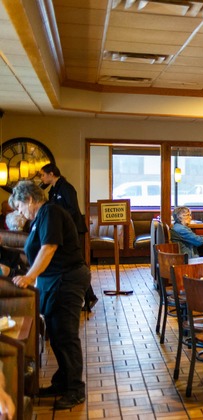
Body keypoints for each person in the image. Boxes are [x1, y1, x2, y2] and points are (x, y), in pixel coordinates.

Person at [10, 180, 91, 410]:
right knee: (56, 334)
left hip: (68, 279)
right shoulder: (40, 218)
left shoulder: (50, 212)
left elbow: (49, 248)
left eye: (19, 207)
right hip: (55, 281)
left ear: (29, 199)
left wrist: (29, 277)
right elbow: (34, 252)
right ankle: (63, 382)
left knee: (66, 334)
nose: (20, 213)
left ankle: (75, 390)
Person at [39, 163, 97, 312]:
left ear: (51, 174)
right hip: (62, 231)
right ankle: (88, 296)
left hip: (73, 230)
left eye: (43, 175)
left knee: (77, 262)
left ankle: (89, 296)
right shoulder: (52, 191)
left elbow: (73, 210)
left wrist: (61, 222)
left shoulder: (66, 188)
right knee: (72, 263)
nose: (41, 178)